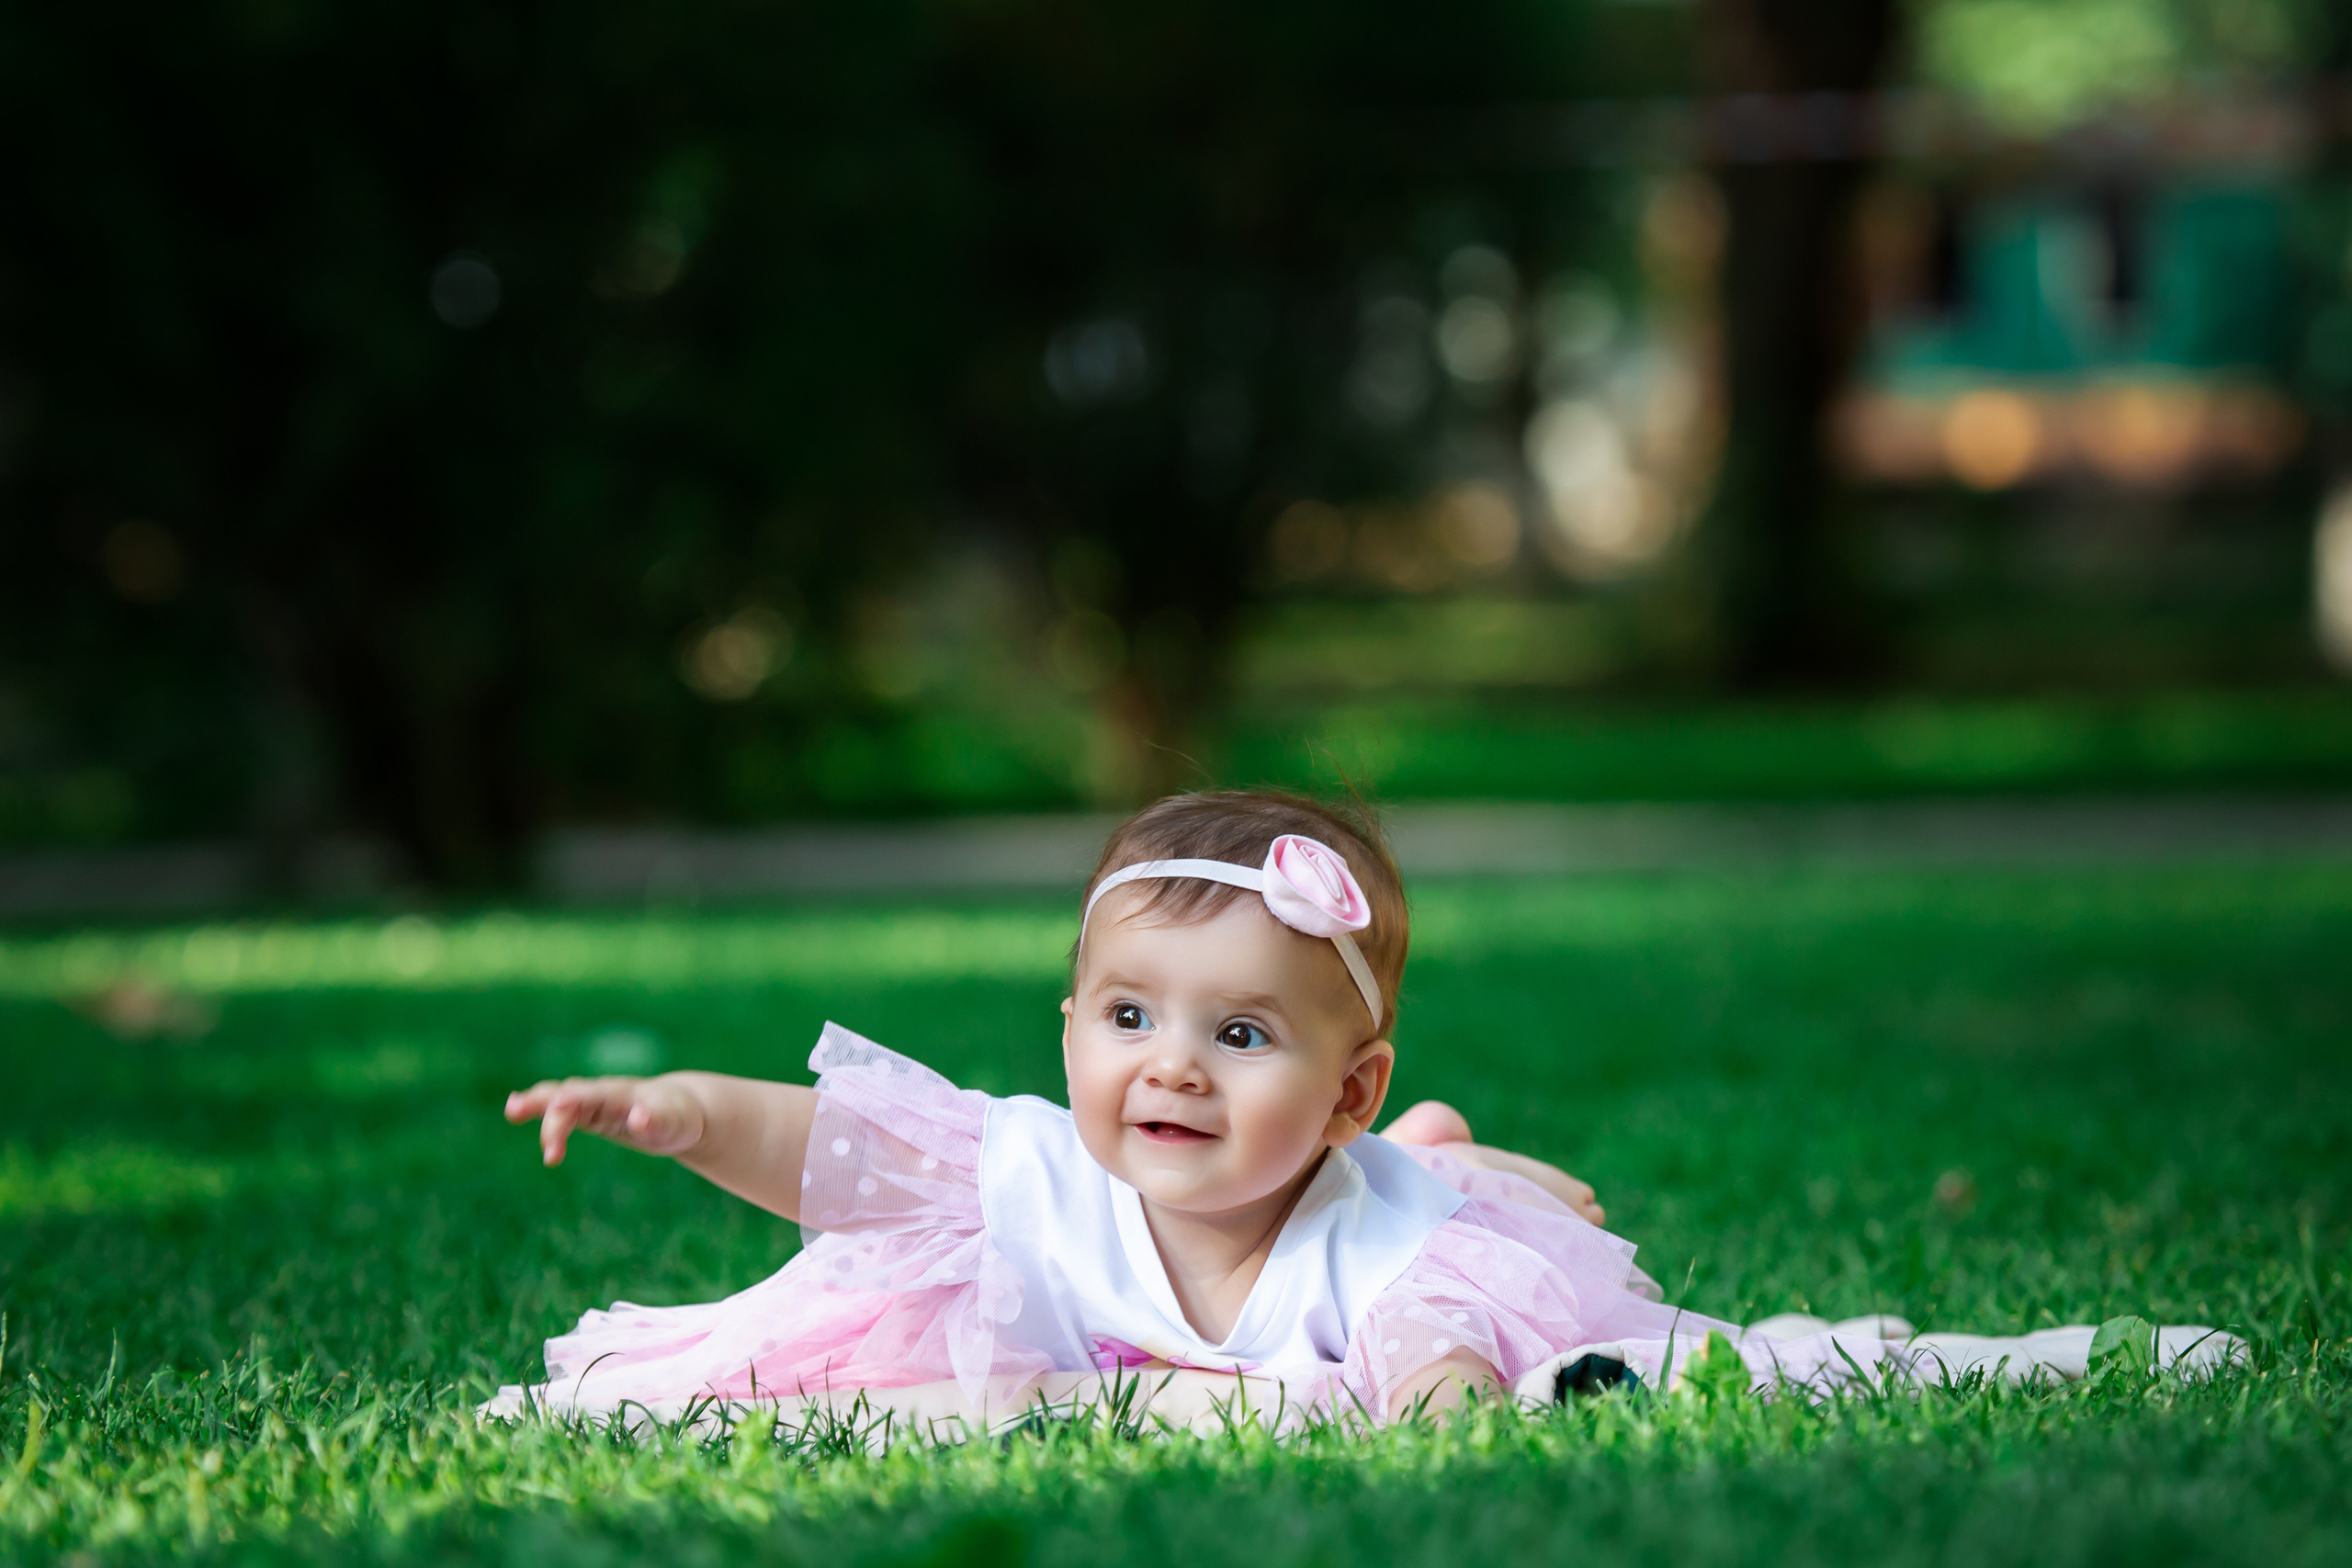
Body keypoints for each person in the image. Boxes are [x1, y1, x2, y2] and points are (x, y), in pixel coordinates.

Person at [491, 791, 2236, 1434]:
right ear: (1072, 1030)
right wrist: (669, 1107)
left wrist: (1464, 1404)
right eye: (1126, 1018)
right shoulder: (1027, 1167)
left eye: (1240, 1033)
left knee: (1692, 1338)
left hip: (1425, 1216)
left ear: (1344, 1091)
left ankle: (1470, 1159)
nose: (1167, 1066)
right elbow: (826, 1151)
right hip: (1378, 1169)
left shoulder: (1383, 1245)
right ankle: (1471, 1145)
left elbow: (1435, 1358)